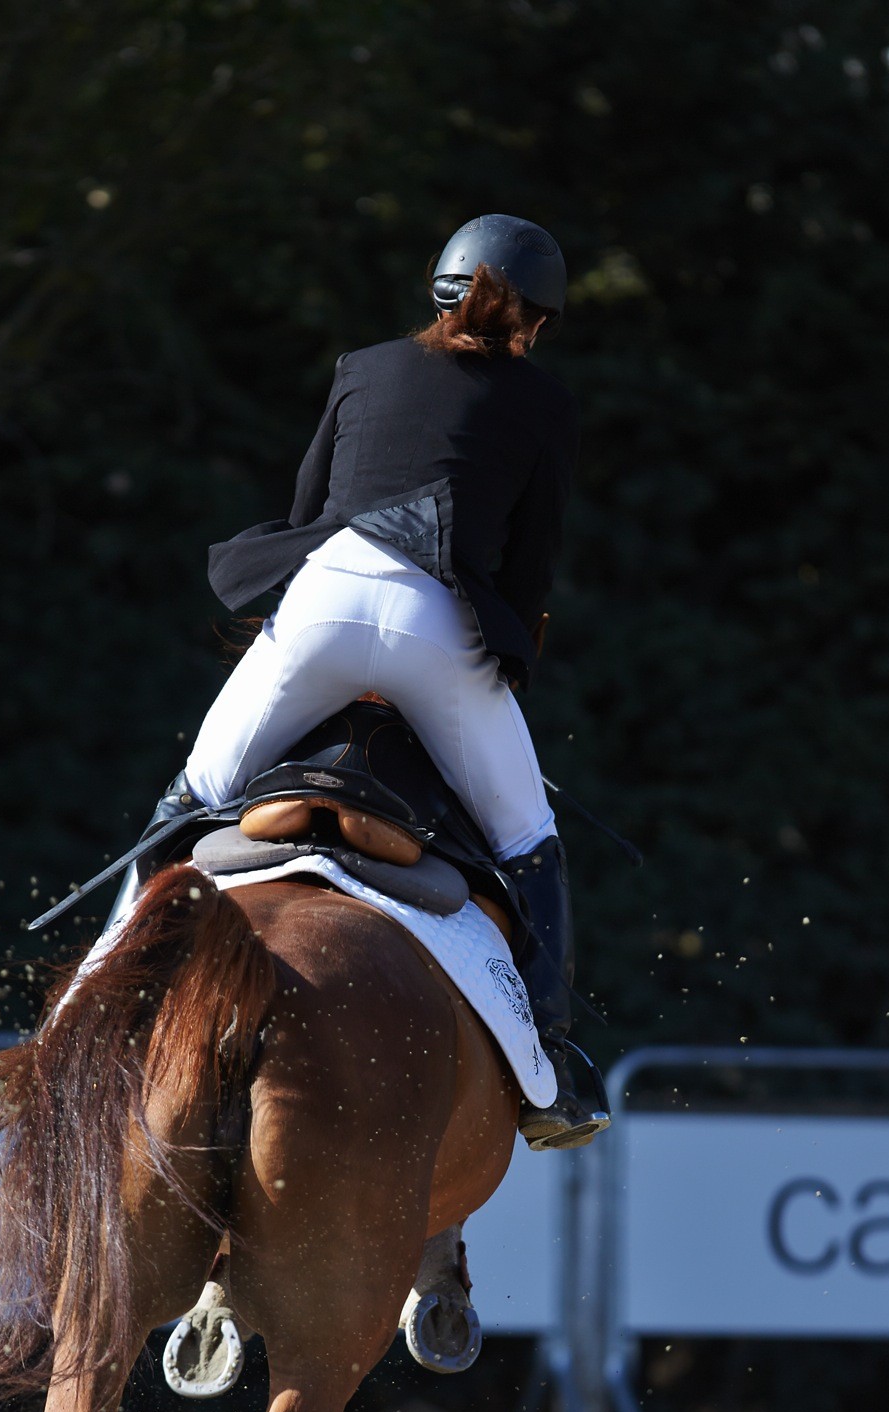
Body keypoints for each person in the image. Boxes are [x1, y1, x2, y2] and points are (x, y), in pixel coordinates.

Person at [135, 213, 606, 1150]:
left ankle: (109, 999)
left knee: (190, 799)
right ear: (537, 323)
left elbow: (307, 510)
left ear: (436, 290)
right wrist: (507, 661)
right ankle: (550, 1067)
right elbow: (527, 570)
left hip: (322, 603)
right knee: (527, 837)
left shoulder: (362, 366)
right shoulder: (545, 404)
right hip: (441, 624)